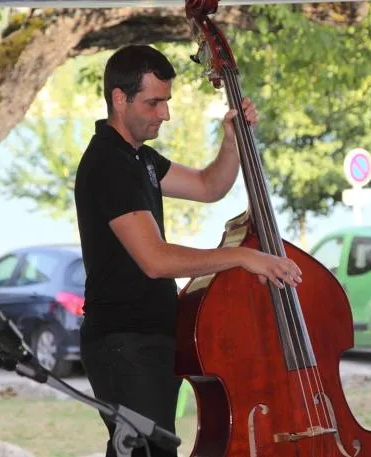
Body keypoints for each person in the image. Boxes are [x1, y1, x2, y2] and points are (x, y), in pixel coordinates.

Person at [74, 44, 302, 457]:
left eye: (167, 101)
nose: (165, 113)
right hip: (123, 342)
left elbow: (208, 186)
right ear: (118, 99)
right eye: (153, 102)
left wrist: (232, 141)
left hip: (147, 339)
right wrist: (244, 256)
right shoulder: (108, 164)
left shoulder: (137, 157)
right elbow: (156, 260)